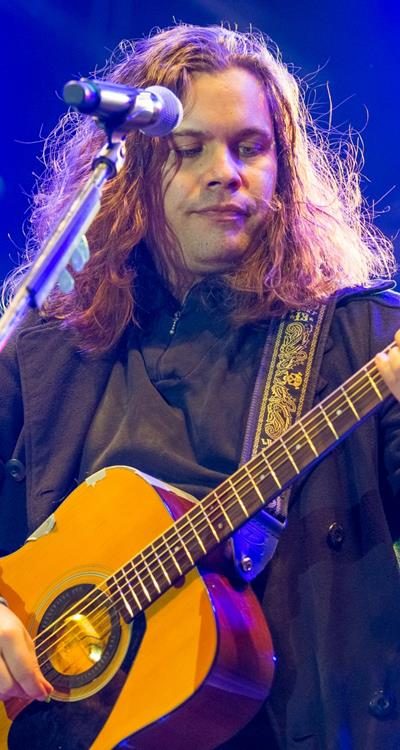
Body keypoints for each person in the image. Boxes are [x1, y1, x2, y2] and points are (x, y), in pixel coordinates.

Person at [0, 23, 400, 750]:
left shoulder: (358, 340)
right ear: (129, 174)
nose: (226, 172)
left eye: (251, 147)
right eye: (189, 149)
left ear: (283, 170)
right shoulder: (45, 350)